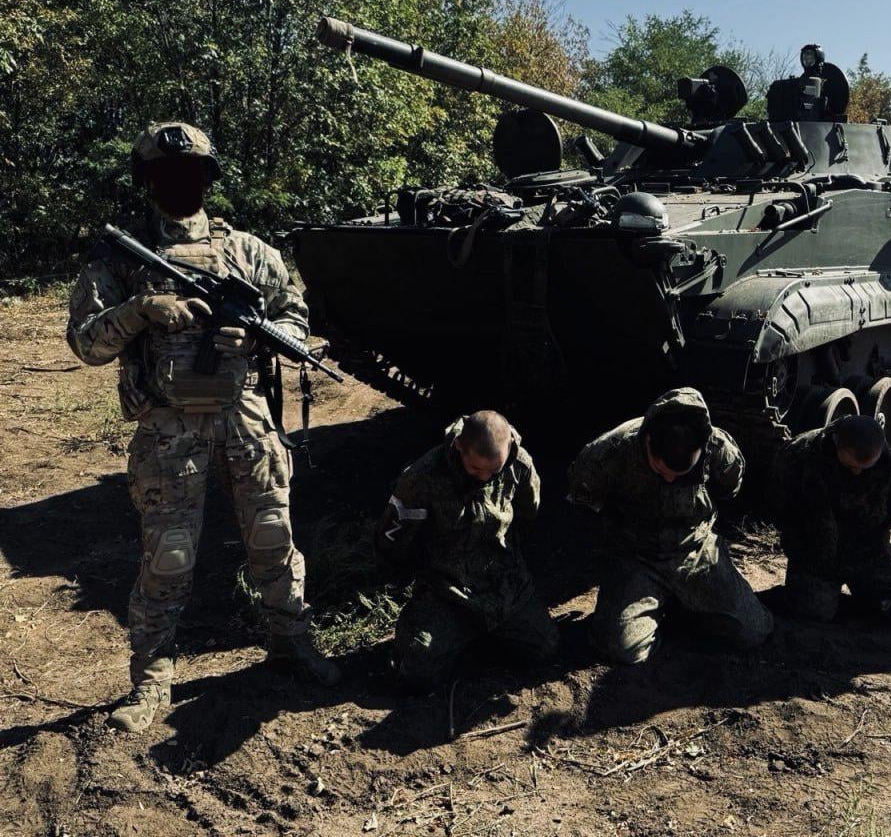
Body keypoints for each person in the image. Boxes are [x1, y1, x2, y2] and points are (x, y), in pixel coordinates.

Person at [66, 122, 339, 734]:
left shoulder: (246, 251)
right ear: (148, 182)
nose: (180, 185)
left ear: (208, 179)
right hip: (168, 429)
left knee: (271, 535)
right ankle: (152, 675)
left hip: (245, 413)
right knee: (169, 554)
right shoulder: (119, 258)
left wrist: (265, 340)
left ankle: (290, 641)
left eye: (191, 174)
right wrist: (140, 310)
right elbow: (85, 344)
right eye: (167, 176)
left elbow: (296, 318)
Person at [568, 388, 773, 664]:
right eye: (660, 471)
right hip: (636, 556)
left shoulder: (719, 451)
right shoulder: (613, 450)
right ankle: (655, 608)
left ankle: (679, 606)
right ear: (648, 440)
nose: (669, 480)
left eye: (679, 475)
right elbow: (583, 497)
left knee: (752, 631)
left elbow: (730, 490)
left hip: (695, 551)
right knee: (623, 650)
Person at [376, 411, 559, 688]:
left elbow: (528, 511)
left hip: (503, 583)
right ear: (459, 446)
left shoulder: (519, 464)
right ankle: (442, 631)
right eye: (475, 469)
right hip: (448, 590)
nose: (484, 478)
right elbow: (393, 538)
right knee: (414, 673)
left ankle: (473, 637)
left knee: (544, 648)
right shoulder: (423, 477)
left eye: (493, 471)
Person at [772, 414, 891, 623]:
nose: (858, 472)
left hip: (867, 553)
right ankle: (810, 594)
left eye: (866, 466)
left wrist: (874, 539)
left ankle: (847, 596)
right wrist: (805, 546)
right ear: (837, 443)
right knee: (813, 613)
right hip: (815, 557)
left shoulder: (888, 461)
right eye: (851, 464)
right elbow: (779, 506)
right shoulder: (801, 454)